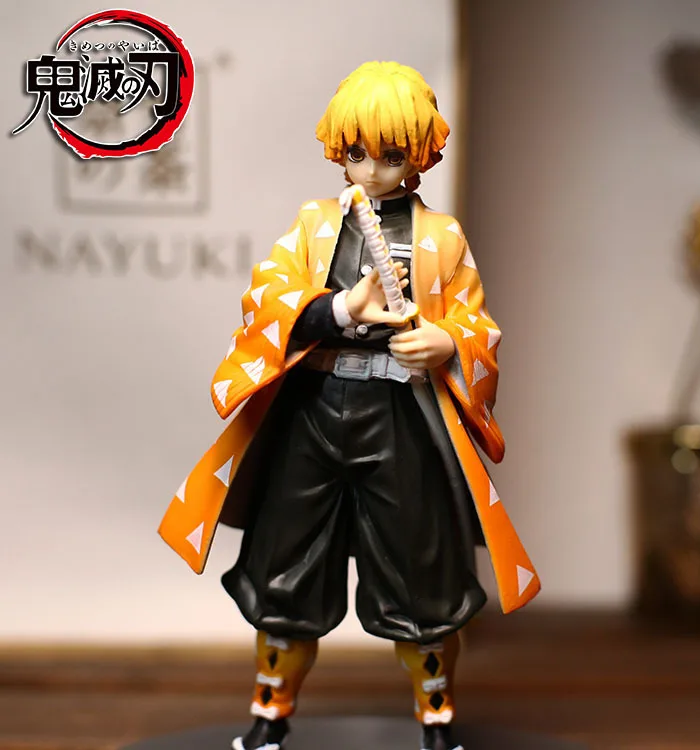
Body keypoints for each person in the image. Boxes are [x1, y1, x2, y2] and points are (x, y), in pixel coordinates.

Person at [158, 61, 540, 750]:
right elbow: (266, 300)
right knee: (284, 569)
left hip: (401, 419)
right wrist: (338, 309)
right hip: (314, 411)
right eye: (357, 152)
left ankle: (436, 719)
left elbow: (477, 325)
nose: (371, 169)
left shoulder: (442, 237)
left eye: (390, 154)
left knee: (424, 580)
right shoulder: (313, 226)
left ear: (418, 154)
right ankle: (270, 713)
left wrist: (445, 343)